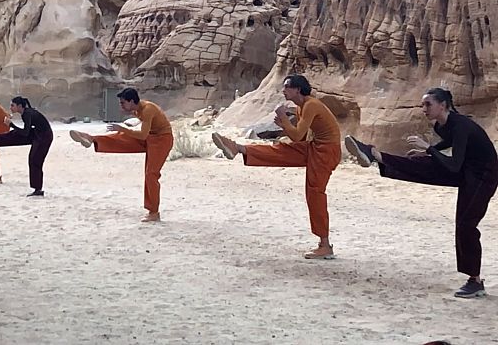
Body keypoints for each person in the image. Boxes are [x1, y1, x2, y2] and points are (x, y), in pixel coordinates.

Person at [345, 88, 498, 298]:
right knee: (422, 163)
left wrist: (429, 149)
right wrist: (428, 151)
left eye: (428, 104)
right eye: (423, 104)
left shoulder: (461, 125)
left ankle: (475, 281)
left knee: (465, 225)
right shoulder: (444, 125)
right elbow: (449, 146)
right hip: (467, 169)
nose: (423, 108)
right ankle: (374, 154)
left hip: (483, 176)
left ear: (443, 105)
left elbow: (453, 165)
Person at [211, 75, 342, 258]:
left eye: (287, 87)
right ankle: (238, 148)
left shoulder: (311, 105)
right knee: (282, 150)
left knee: (315, 193)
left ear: (297, 89)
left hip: (326, 152)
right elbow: (300, 138)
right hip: (315, 147)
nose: (283, 90)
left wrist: (283, 119)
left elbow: (297, 136)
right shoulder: (300, 107)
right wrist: (284, 125)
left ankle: (325, 245)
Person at [68, 88, 174, 223]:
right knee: (121, 137)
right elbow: (143, 133)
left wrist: (123, 129)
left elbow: (142, 135)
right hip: (150, 138)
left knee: (151, 174)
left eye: (123, 103)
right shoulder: (136, 109)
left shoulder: (148, 109)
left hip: (162, 140)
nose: (121, 105)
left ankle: (154, 212)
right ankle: (91, 138)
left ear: (131, 101)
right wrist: (123, 131)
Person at [0, 96, 53, 197]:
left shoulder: (27, 114)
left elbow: (25, 133)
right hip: (37, 134)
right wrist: (13, 127)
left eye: (12, 105)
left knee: (34, 160)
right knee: (14, 134)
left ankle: (38, 190)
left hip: (44, 137)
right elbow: (25, 132)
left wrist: (11, 125)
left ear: (19, 106)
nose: (10, 108)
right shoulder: (26, 113)